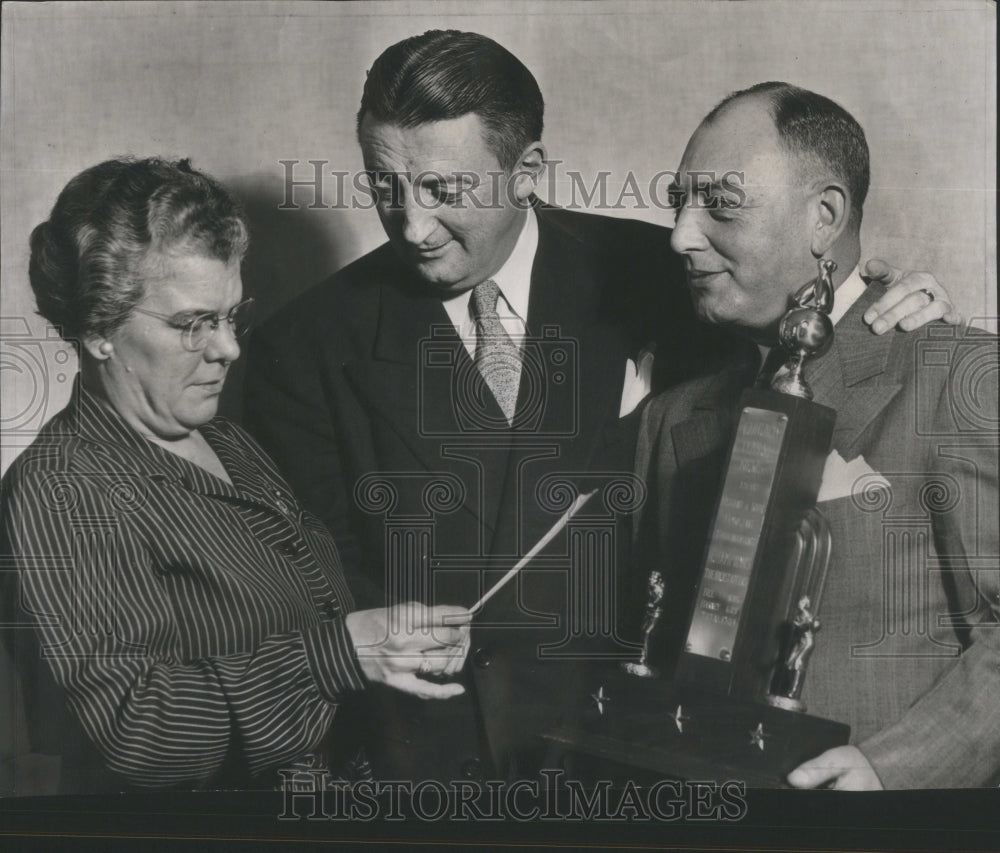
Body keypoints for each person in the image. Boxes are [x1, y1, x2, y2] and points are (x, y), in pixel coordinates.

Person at [244, 30, 960, 783]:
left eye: (445, 192)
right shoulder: (301, 347)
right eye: (385, 187)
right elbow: (311, 593)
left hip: (634, 760)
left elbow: (816, 347)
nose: (413, 227)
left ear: (527, 173)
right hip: (430, 771)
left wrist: (891, 302)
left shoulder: (679, 274)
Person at [0, 157, 471, 795]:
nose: (228, 349)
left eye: (229, 316)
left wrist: (391, 637)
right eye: (193, 323)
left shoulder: (224, 439)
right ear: (97, 329)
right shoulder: (60, 490)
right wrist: (340, 654)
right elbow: (137, 736)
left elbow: (304, 609)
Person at [633, 82, 998, 788]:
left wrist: (893, 771)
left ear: (824, 217)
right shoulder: (671, 419)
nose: (680, 234)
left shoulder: (957, 373)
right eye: (677, 201)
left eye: (720, 204)